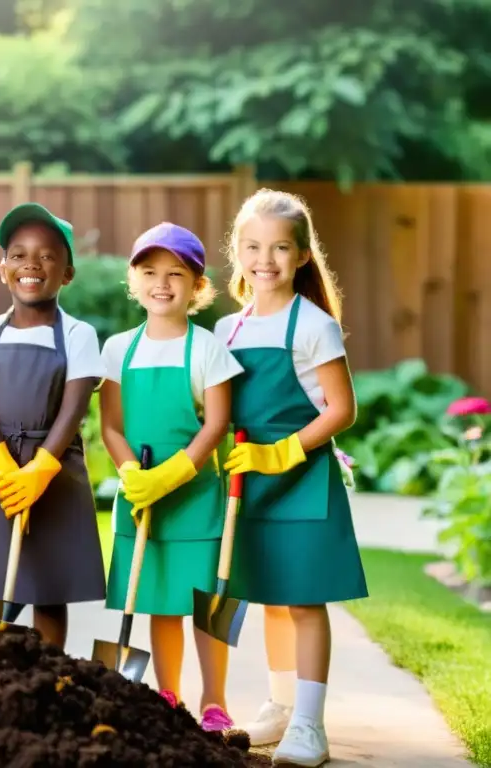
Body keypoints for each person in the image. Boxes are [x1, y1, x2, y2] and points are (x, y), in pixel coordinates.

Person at [214, 188, 367, 766]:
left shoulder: (314, 325)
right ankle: (279, 705)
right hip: (248, 482)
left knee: (303, 601)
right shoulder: (229, 328)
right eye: (252, 247)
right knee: (271, 598)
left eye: (280, 248)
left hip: (298, 478)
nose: (265, 260)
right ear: (237, 252)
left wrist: (281, 454)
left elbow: (340, 409)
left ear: (303, 255)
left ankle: (310, 722)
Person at [99, 223, 244, 732]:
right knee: (161, 601)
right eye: (149, 272)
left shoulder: (207, 349)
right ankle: (168, 694)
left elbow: (217, 424)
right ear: (133, 281)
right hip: (143, 497)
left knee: (209, 603)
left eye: (176, 274)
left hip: (196, 494)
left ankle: (215, 700)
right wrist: (133, 474)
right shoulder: (118, 349)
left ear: (198, 287)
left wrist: (176, 472)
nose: (162, 283)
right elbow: (110, 426)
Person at [0, 202, 106, 649]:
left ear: (67, 273)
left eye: (47, 255)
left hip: (53, 469)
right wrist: (5, 471)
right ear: (3, 270)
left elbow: (75, 406)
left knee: (48, 588)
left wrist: (38, 470)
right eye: (18, 254)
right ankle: (1, 671)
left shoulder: (77, 334)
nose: (31, 265)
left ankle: (49, 673)